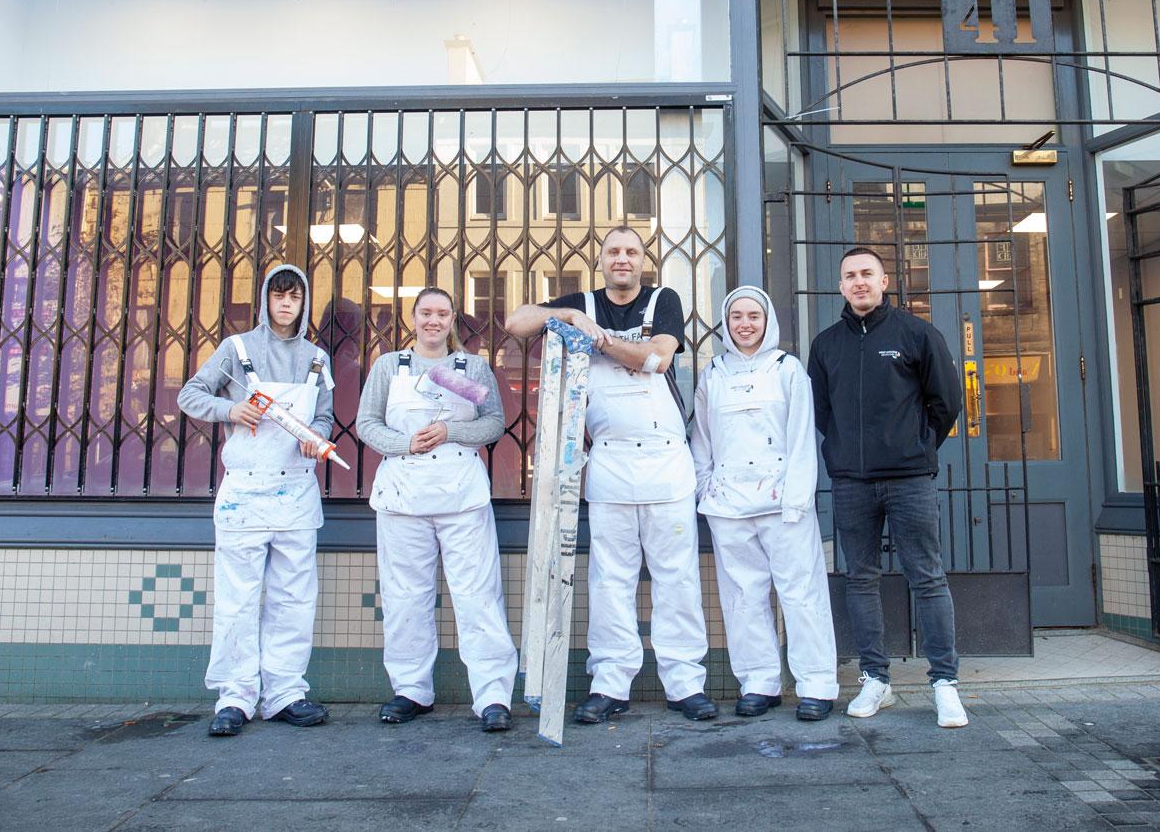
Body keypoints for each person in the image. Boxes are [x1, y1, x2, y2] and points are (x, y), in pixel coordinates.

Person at [504, 226, 716, 724]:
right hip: (612, 464)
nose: (622, 259)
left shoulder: (664, 299)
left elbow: (658, 357)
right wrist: (568, 315)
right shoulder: (583, 302)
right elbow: (517, 322)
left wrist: (598, 341)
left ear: (643, 261)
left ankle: (686, 683)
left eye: (631, 252)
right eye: (613, 252)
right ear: (600, 261)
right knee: (610, 580)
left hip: (666, 463)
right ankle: (610, 683)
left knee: (677, 578)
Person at [807, 247, 969, 728]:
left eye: (867, 274)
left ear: (884, 280)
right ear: (841, 286)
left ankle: (945, 683)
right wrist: (844, 454)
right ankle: (875, 679)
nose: (859, 282)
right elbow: (822, 411)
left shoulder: (916, 334)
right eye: (850, 276)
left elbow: (947, 401)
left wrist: (917, 446)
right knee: (860, 579)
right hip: (853, 483)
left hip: (908, 480)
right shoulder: (826, 344)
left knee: (928, 577)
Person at [178, 264, 335, 738]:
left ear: (304, 302)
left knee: (293, 596)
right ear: (266, 298)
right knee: (238, 597)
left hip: (297, 492)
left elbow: (325, 417)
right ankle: (236, 694)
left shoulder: (316, 357)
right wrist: (231, 408)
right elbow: (191, 394)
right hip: (245, 489)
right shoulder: (236, 348)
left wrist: (316, 440)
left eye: (295, 297)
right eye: (278, 295)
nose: (286, 304)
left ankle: (286, 691)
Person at [358, 287, 517, 732]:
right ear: (412, 317)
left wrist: (450, 430)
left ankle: (492, 696)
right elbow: (367, 424)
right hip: (403, 494)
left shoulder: (469, 368)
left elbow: (493, 423)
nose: (433, 321)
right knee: (406, 596)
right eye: (425, 312)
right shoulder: (390, 367)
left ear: (452, 321)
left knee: (477, 596)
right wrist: (404, 443)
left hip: (462, 496)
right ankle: (411, 690)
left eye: (442, 313)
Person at [690, 285, 839, 721]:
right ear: (725, 322)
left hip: (782, 503)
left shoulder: (787, 369)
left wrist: (796, 498)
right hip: (728, 505)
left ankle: (816, 684)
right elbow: (702, 439)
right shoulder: (713, 373)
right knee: (742, 597)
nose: (745, 324)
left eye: (753, 315)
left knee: (802, 593)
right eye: (736, 316)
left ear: (767, 319)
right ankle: (758, 682)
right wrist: (706, 489)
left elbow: (801, 437)